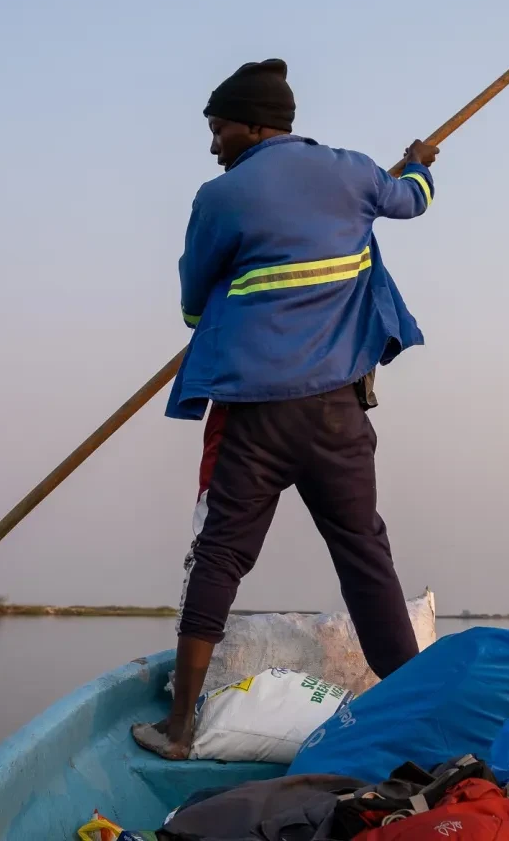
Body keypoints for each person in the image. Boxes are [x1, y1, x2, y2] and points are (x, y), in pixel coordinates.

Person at [132, 58, 439, 759]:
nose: (213, 144)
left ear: (250, 123)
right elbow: (414, 199)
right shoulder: (356, 173)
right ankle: (422, 723)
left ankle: (179, 729)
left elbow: (190, 308)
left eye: (217, 128)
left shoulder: (219, 197)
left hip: (257, 417)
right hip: (336, 414)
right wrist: (420, 163)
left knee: (221, 556)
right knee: (365, 556)